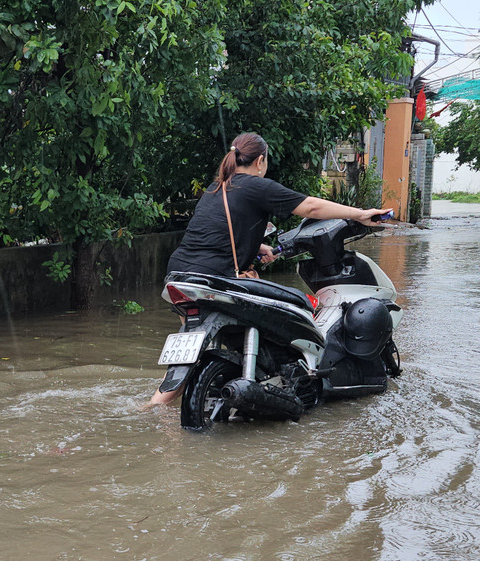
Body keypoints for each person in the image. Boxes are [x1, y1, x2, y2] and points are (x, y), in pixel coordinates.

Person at [148, 132, 389, 405]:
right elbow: (310, 207)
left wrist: (257, 248)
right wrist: (360, 214)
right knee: (299, 304)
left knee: (193, 358)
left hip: (181, 277)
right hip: (215, 275)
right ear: (260, 161)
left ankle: (158, 409)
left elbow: (214, 234)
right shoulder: (255, 186)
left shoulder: (215, 189)